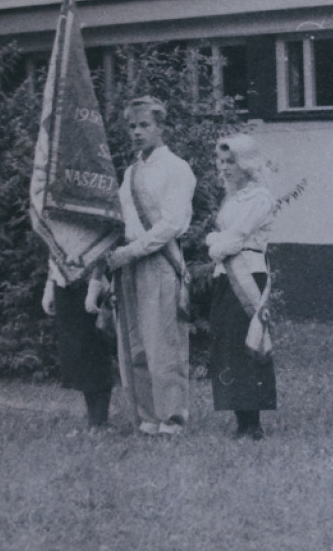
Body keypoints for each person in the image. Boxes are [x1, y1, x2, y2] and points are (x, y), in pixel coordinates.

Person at [106, 96, 197, 437]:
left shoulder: (176, 168)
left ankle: (172, 418)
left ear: (161, 127)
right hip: (128, 261)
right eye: (131, 126)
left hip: (159, 260)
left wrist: (132, 252)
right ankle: (147, 416)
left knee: (163, 345)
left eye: (144, 125)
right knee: (135, 344)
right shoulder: (130, 172)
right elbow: (120, 219)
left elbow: (171, 224)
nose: (137, 132)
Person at [205, 134, 277, 440]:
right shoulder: (232, 198)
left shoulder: (260, 197)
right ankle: (239, 418)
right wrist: (216, 242)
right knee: (227, 346)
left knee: (248, 343)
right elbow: (224, 238)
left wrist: (212, 243)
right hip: (226, 276)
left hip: (249, 274)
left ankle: (254, 423)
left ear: (246, 162)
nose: (224, 168)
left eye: (231, 161)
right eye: (221, 162)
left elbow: (233, 239)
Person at [41, 264, 115, 429]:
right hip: (64, 287)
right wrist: (49, 287)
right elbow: (55, 253)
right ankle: (92, 419)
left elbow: (100, 254)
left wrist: (94, 288)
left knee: (96, 352)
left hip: (90, 284)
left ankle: (101, 420)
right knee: (78, 354)